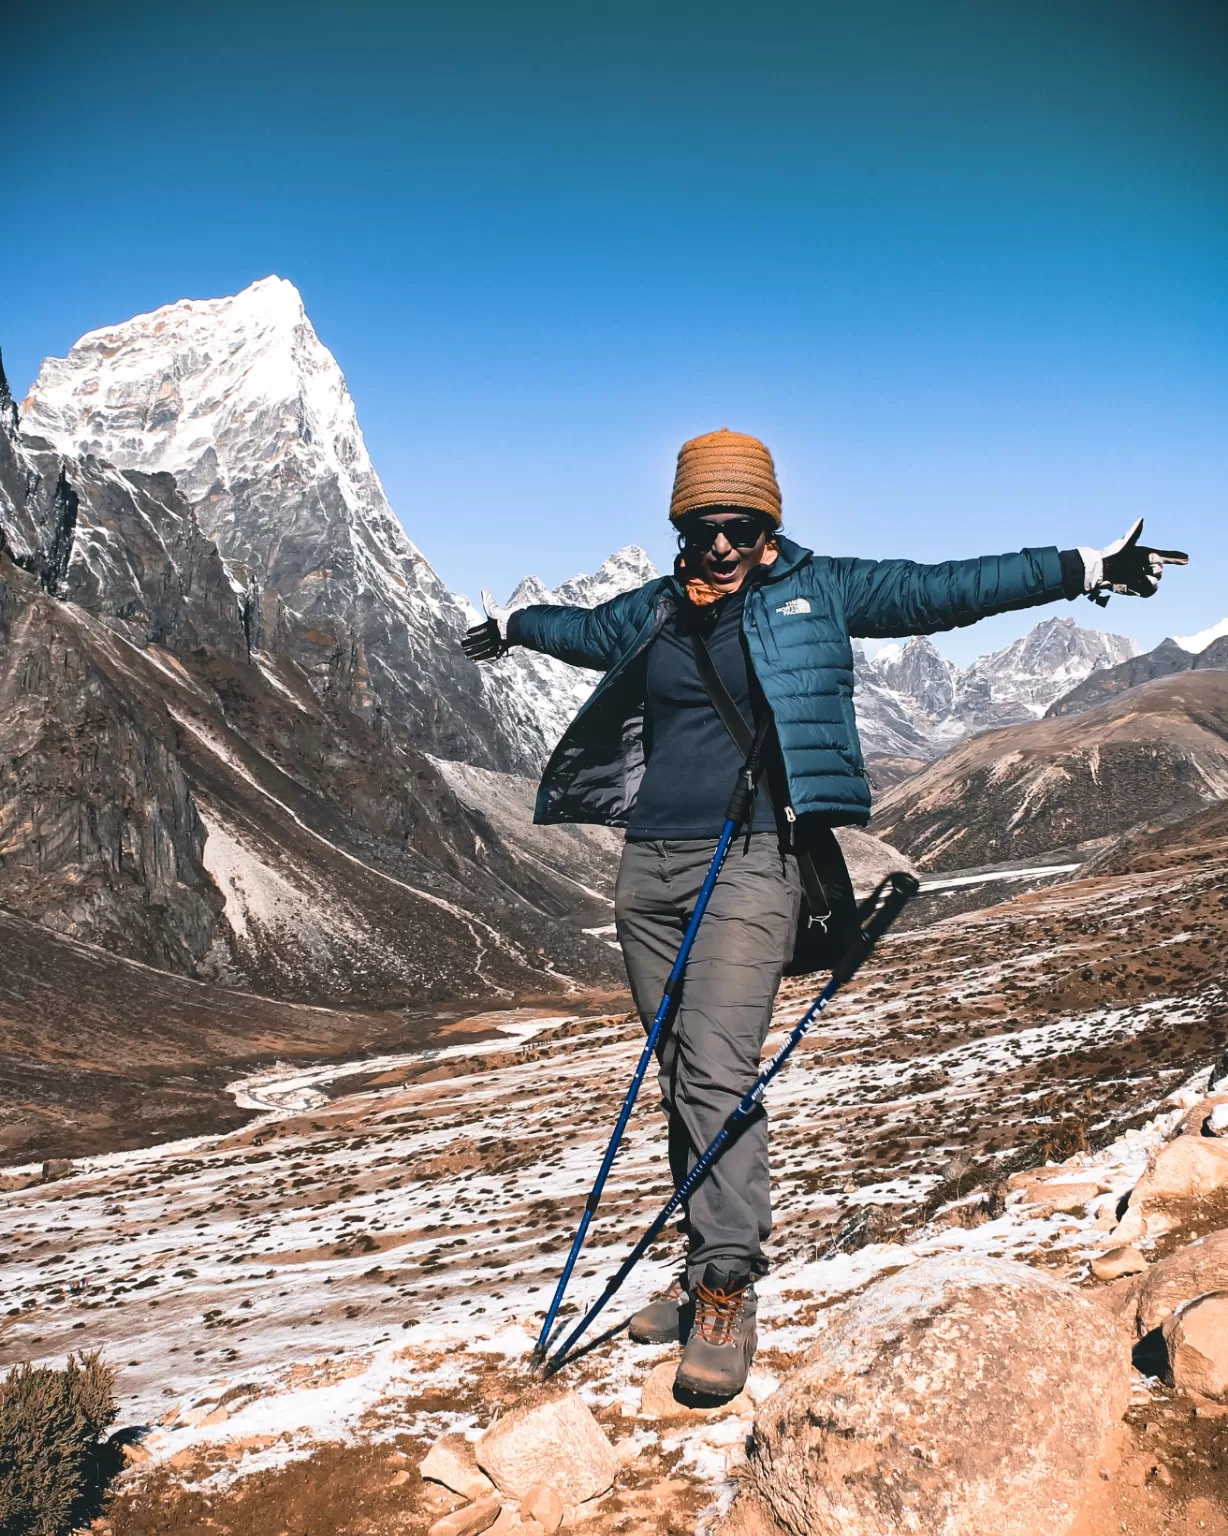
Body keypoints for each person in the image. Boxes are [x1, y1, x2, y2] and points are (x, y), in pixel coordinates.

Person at [462, 427, 1186, 1397]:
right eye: (704, 524)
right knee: (686, 1079)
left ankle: (726, 1289)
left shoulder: (822, 590)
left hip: (751, 865)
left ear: (769, 524)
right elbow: (583, 630)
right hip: (646, 878)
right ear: (682, 524)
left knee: (716, 1074)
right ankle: (705, 1259)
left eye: (742, 524)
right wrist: (513, 629)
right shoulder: (655, 608)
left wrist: (1086, 565)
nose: (722, 543)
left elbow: (948, 586)